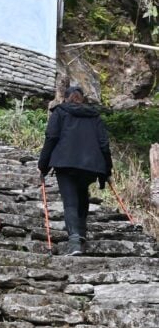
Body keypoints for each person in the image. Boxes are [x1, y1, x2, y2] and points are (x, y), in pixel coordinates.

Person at [38, 83, 112, 255]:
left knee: (70, 200)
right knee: (82, 194)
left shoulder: (60, 112)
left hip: (65, 162)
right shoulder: (94, 116)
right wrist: (107, 169)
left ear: (65, 98)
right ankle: (82, 233)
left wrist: (43, 165)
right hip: (90, 165)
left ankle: (74, 242)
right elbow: (104, 144)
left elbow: (51, 137)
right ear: (82, 99)